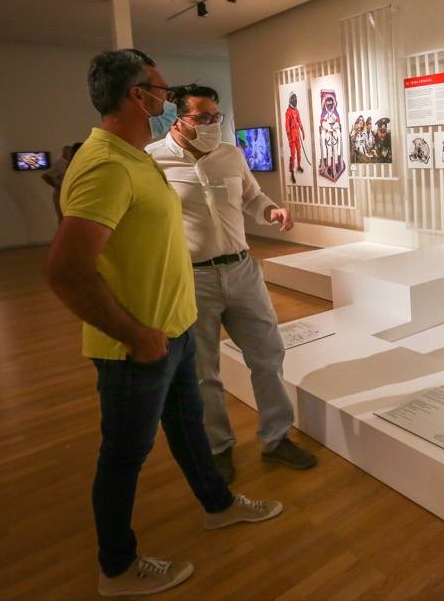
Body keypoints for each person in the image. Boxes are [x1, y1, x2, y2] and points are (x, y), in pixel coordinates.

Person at [47, 50, 282, 597]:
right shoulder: (108, 163)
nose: (166, 98)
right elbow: (66, 270)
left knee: (188, 427)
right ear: (140, 96)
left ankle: (218, 506)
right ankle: (117, 567)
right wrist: (135, 334)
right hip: (138, 343)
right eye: (161, 89)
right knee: (124, 455)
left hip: (173, 326)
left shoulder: (132, 159)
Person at [147, 84, 317, 483]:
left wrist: (271, 211)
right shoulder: (152, 161)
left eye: (215, 117)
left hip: (242, 270)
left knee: (268, 355)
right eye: (201, 117)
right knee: (203, 370)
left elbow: (252, 197)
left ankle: (276, 437)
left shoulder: (230, 155)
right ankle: (218, 447)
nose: (211, 124)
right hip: (193, 277)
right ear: (177, 118)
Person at [42, 142, 81, 221]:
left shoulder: (72, 163)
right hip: (61, 193)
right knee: (63, 216)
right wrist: (58, 187)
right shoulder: (60, 164)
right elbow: (45, 176)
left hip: (70, 192)